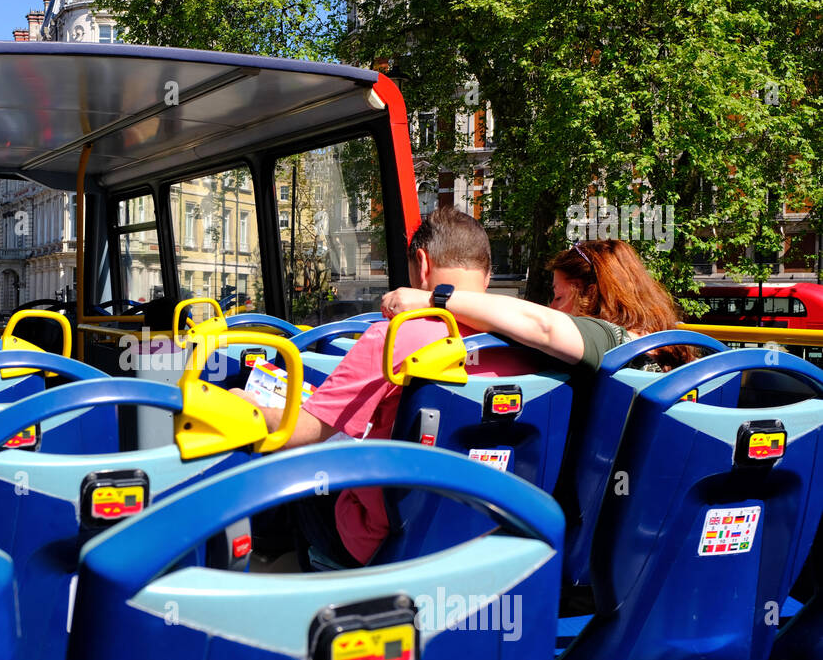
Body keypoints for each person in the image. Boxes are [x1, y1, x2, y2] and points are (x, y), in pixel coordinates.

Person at [236, 205, 534, 567]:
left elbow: (300, 432)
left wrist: (243, 405)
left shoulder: (392, 338)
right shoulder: (525, 342)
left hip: (385, 544)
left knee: (295, 471)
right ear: (486, 276)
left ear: (421, 264)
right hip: (487, 536)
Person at [382, 238, 685, 370]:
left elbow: (543, 326)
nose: (552, 307)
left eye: (559, 296)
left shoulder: (609, 338)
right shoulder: (664, 338)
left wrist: (433, 299)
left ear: (590, 294)